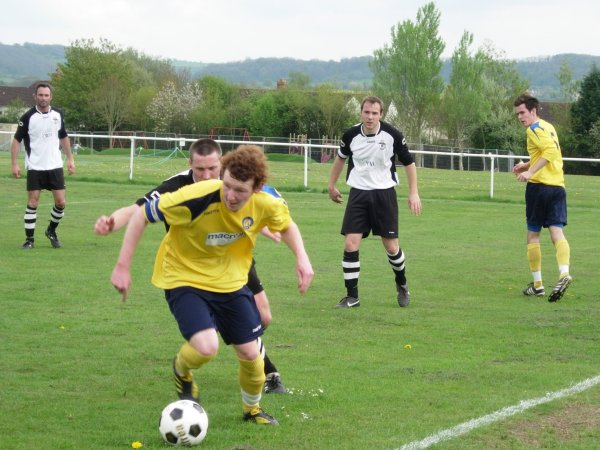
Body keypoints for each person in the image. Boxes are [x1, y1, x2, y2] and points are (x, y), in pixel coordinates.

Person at [110, 145, 313, 425]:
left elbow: (287, 225)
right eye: (226, 185)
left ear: (257, 188)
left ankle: (252, 411)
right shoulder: (195, 197)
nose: (230, 195)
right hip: (184, 277)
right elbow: (142, 215)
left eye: (240, 191)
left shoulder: (267, 202)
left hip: (230, 281)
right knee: (207, 346)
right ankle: (182, 372)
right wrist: (123, 266)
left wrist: (302, 258)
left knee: (251, 354)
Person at [328, 95, 422, 309]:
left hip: (384, 194)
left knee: (391, 247)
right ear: (361, 113)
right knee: (351, 243)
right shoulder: (351, 135)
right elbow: (340, 158)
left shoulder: (393, 135)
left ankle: (402, 284)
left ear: (381, 114)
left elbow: (409, 162)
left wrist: (413, 192)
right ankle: (352, 296)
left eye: (374, 113)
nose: (370, 117)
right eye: (366, 112)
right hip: (358, 194)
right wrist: (331, 185)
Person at [513, 94, 572, 302]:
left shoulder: (533, 129)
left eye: (522, 112)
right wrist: (527, 165)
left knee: (533, 235)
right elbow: (550, 152)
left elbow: (549, 151)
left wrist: (530, 173)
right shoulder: (548, 127)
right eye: (518, 114)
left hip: (540, 188)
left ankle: (538, 285)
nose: (520, 117)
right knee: (557, 232)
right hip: (558, 187)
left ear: (533, 111)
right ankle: (564, 273)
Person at [11, 81, 75, 249]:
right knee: (33, 203)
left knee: (61, 203)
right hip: (35, 167)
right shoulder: (27, 117)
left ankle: (51, 231)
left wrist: (70, 159)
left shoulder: (58, 115)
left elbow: (64, 137)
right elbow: (16, 141)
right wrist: (14, 164)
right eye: (40, 95)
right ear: (35, 96)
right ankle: (29, 240)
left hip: (55, 165)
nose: (43, 98)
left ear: (51, 97)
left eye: (46, 95)